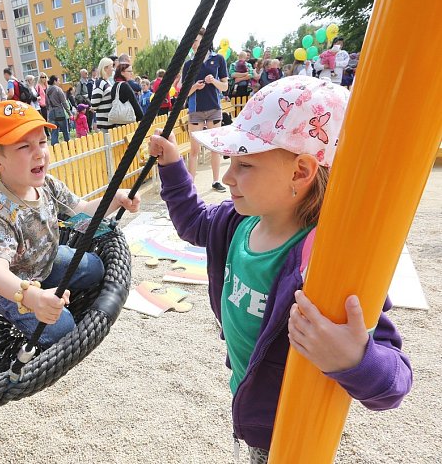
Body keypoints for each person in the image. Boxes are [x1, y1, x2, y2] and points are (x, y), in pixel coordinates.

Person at [148, 75, 412, 462]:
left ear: (300, 172)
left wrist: (354, 358)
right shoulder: (239, 222)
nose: (226, 177)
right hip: (250, 395)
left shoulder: (327, 263)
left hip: (290, 426)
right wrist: (172, 167)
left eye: (245, 164)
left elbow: (395, 383)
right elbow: (192, 223)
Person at [0, 100, 140, 346]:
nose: (39, 151)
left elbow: (80, 212)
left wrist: (115, 200)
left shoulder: (47, 184)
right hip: (11, 288)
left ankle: (48, 289)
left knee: (96, 267)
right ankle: (21, 303)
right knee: (62, 328)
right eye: (24, 146)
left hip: (45, 263)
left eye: (42, 142)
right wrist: (34, 298)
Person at [182, 27, 229, 191]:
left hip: (214, 108)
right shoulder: (188, 64)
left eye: (195, 41)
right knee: (194, 150)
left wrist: (213, 81)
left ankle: (216, 181)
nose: (192, 45)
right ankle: (191, 185)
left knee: (214, 147)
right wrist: (195, 86)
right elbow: (184, 93)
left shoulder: (219, 59)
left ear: (204, 40)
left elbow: (224, 87)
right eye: (192, 42)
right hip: (195, 110)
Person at [90, 57, 115, 133]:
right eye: (111, 67)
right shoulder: (100, 83)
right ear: (105, 68)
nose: (113, 69)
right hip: (105, 123)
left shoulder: (107, 82)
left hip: (110, 122)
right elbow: (94, 103)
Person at [45, 75, 70, 145]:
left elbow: (46, 103)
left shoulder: (47, 91)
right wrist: (69, 113)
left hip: (51, 112)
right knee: (65, 130)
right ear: (55, 81)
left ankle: (54, 147)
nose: (59, 82)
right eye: (58, 80)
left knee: (54, 131)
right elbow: (64, 102)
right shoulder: (58, 89)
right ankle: (68, 145)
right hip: (59, 111)